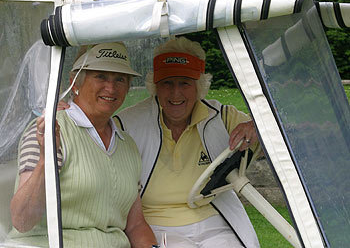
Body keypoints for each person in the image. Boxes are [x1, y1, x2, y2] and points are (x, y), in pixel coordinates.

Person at [115, 37, 262, 248]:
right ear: (155, 86)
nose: (176, 93)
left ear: (199, 86)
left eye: (184, 83)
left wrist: (256, 128)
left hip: (216, 220)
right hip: (156, 224)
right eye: (167, 83)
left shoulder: (222, 117)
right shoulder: (127, 124)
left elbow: (276, 140)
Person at [8, 42, 158, 248]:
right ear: (74, 83)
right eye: (100, 76)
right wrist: (45, 160)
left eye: (120, 79)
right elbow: (22, 221)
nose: (111, 87)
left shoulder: (127, 145)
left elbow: (135, 225)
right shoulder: (51, 130)